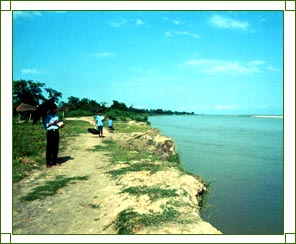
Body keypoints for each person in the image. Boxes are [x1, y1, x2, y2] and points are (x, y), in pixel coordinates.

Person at [44, 103, 64, 168]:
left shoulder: (56, 116)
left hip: (56, 132)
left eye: (56, 109)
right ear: (52, 109)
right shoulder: (47, 116)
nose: (56, 110)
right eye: (55, 109)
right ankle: (48, 163)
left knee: (56, 147)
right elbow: (46, 125)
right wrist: (53, 123)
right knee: (49, 148)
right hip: (50, 132)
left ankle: (54, 162)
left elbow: (57, 125)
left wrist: (60, 125)